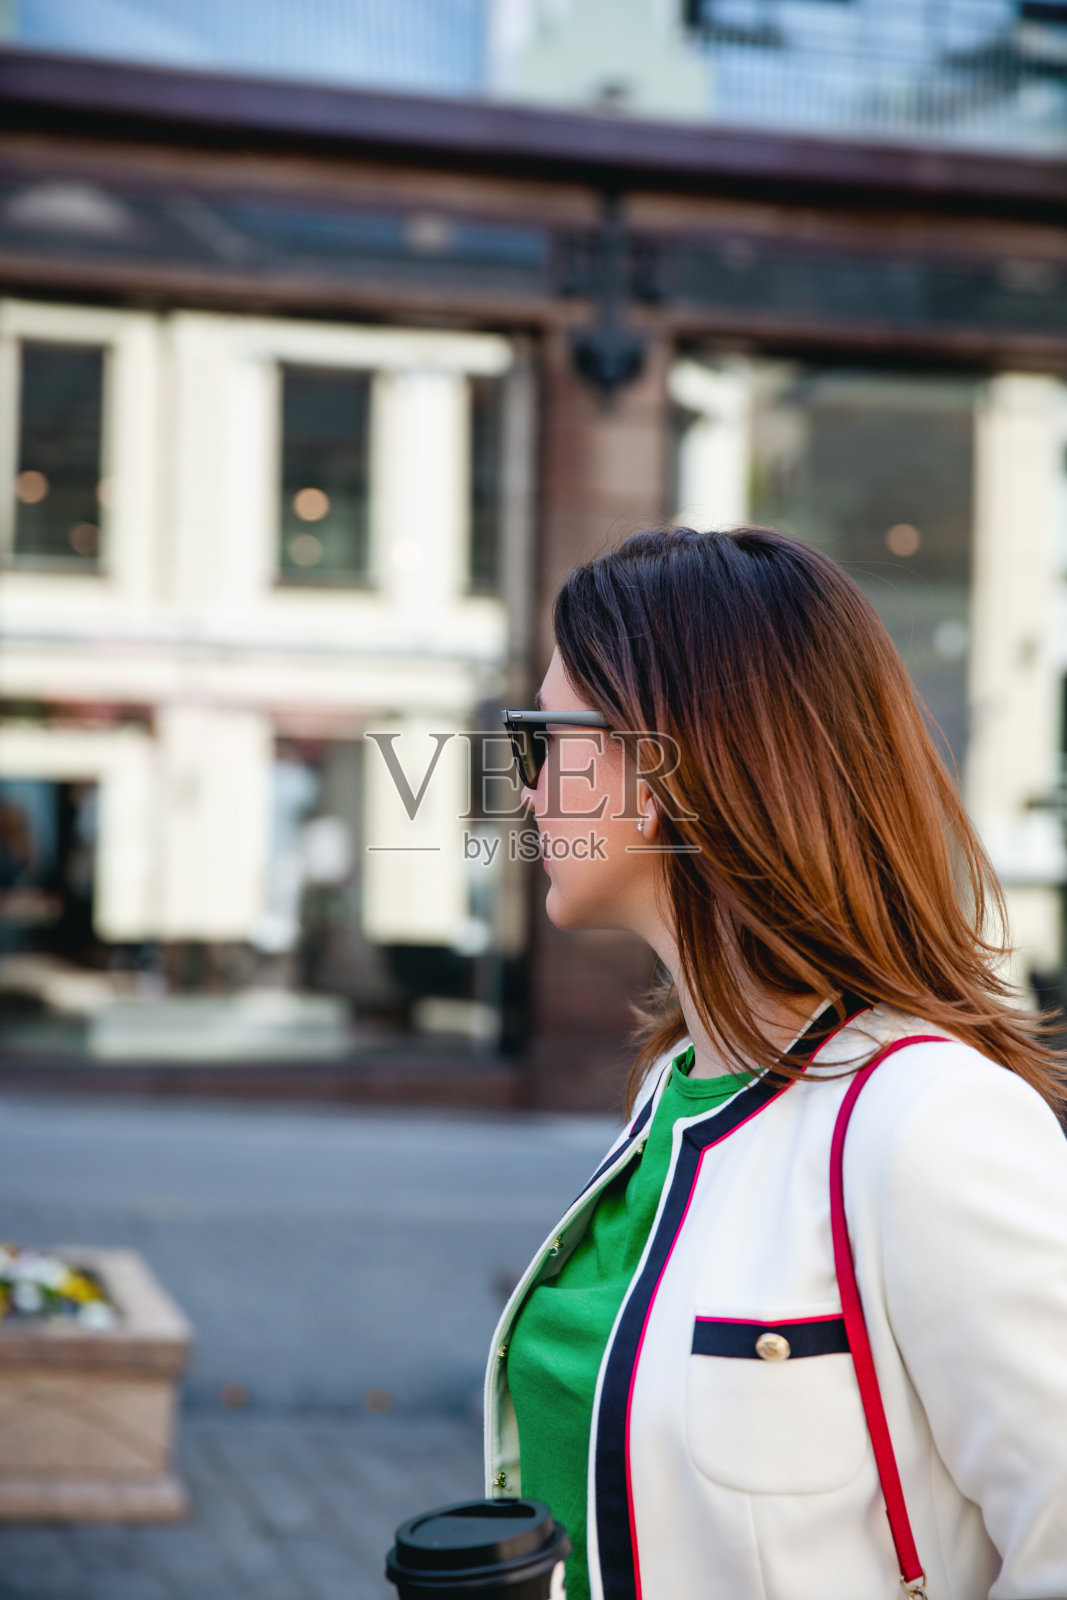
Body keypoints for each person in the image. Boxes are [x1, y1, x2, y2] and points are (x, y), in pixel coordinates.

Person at [486, 526, 1067, 1600]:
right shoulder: (673, 1090)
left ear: (655, 764)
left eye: (539, 742)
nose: (522, 791)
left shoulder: (931, 1123)